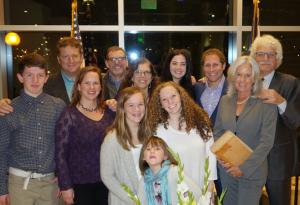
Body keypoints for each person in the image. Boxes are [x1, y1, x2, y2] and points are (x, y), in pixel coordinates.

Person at [0, 53, 65, 205]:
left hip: (51, 184)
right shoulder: (8, 109)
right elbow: (1, 151)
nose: (35, 80)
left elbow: (65, 145)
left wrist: (64, 175)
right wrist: (2, 189)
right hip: (19, 184)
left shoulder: (57, 106)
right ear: (20, 77)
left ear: (46, 78)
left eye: (40, 75)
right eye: (29, 75)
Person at [213, 56, 278, 205]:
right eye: (239, 74)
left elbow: (266, 142)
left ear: (255, 78)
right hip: (227, 170)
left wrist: (243, 168)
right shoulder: (225, 101)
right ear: (233, 77)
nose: (242, 79)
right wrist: (221, 157)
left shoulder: (266, 103)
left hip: (252, 172)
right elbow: (217, 132)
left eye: (247, 75)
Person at [250, 34, 300, 205]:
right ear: (253, 57)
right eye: (260, 54)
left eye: (270, 55)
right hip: (250, 160)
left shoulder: (290, 83)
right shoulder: (245, 81)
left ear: (277, 60)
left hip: (278, 161)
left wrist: (281, 101)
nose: (265, 58)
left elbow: (295, 122)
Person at [55, 66, 115, 205]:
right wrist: (65, 186)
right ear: (79, 87)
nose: (91, 87)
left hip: (107, 182)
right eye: (87, 83)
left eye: (95, 83)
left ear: (101, 86)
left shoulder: (109, 112)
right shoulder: (68, 115)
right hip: (79, 185)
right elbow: (60, 155)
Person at [147, 81, 217, 192]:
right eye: (164, 100)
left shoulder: (200, 122)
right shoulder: (158, 132)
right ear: (160, 104)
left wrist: (211, 183)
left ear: (181, 96)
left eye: (173, 96)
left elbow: (211, 153)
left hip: (203, 188)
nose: (170, 102)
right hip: (176, 192)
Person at [0, 37, 83, 114]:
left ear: (81, 58)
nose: (71, 60)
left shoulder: (94, 83)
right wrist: (5, 103)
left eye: (75, 56)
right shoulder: (44, 82)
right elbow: (25, 100)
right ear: (59, 60)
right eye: (65, 56)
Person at [100, 87, 151, 205]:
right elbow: (107, 176)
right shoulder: (112, 139)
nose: (137, 109)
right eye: (131, 105)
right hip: (124, 201)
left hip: (149, 198)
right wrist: (133, 199)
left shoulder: (150, 134)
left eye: (140, 104)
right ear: (122, 108)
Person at [194, 48, 228, 196]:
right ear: (203, 68)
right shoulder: (197, 88)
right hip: (201, 154)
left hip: (225, 154)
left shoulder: (234, 88)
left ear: (224, 66)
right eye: (207, 65)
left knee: (225, 196)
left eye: (216, 65)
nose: (211, 69)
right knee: (201, 195)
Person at [137, 136, 201, 205]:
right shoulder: (144, 180)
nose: (152, 151)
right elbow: (139, 203)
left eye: (157, 149)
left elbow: (197, 193)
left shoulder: (173, 171)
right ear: (143, 157)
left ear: (165, 156)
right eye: (148, 149)